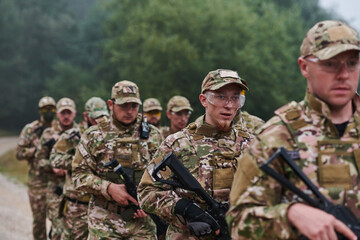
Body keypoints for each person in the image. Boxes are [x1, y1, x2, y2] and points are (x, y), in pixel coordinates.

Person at [227, 20, 360, 240]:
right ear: (304, 67)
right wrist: (289, 215)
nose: (343, 74)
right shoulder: (276, 137)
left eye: (352, 63)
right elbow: (239, 222)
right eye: (330, 64)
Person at [138, 69, 251, 239]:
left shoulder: (252, 144)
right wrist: (184, 209)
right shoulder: (178, 144)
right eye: (220, 97)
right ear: (204, 100)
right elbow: (146, 192)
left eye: (235, 98)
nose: (229, 105)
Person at [72, 80, 162, 239]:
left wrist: (150, 202)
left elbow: (164, 176)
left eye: (134, 106)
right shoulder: (94, 135)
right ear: (111, 104)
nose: (129, 111)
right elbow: (78, 176)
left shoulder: (153, 135)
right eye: (124, 105)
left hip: (142, 222)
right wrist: (108, 188)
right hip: (104, 219)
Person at [49, 97, 109, 240]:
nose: (99, 122)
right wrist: (80, 161)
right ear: (86, 116)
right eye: (95, 118)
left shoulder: (110, 137)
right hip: (76, 205)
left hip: (102, 206)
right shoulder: (73, 136)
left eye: (103, 117)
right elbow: (54, 159)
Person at [35, 97, 78, 240]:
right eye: (62, 113)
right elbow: (39, 160)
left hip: (76, 192)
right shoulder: (48, 134)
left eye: (68, 113)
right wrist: (52, 167)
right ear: (57, 114)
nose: (66, 116)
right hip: (55, 189)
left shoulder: (82, 134)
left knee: (75, 231)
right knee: (58, 229)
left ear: (74, 113)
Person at [16, 96, 56, 240]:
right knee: (39, 222)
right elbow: (19, 154)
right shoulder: (31, 129)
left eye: (51, 109)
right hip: (37, 184)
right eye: (46, 109)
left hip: (57, 183)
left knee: (59, 222)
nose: (49, 112)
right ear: (40, 111)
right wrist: (37, 150)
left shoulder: (60, 128)